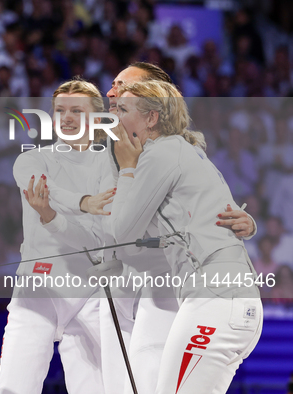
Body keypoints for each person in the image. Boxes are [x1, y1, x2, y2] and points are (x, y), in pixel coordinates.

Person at [110, 80, 262, 394]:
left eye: (123, 110)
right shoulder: (187, 151)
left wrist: (126, 168)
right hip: (232, 301)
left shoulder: (163, 152)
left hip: (216, 300)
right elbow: (155, 235)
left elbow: (123, 231)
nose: (116, 117)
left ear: (151, 118)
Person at [0, 78, 115, 394]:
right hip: (39, 287)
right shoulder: (31, 159)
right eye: (60, 110)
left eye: (77, 110)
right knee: (13, 388)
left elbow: (95, 240)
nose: (67, 117)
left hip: (90, 291)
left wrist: (50, 217)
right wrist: (84, 203)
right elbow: (46, 187)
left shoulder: (112, 166)